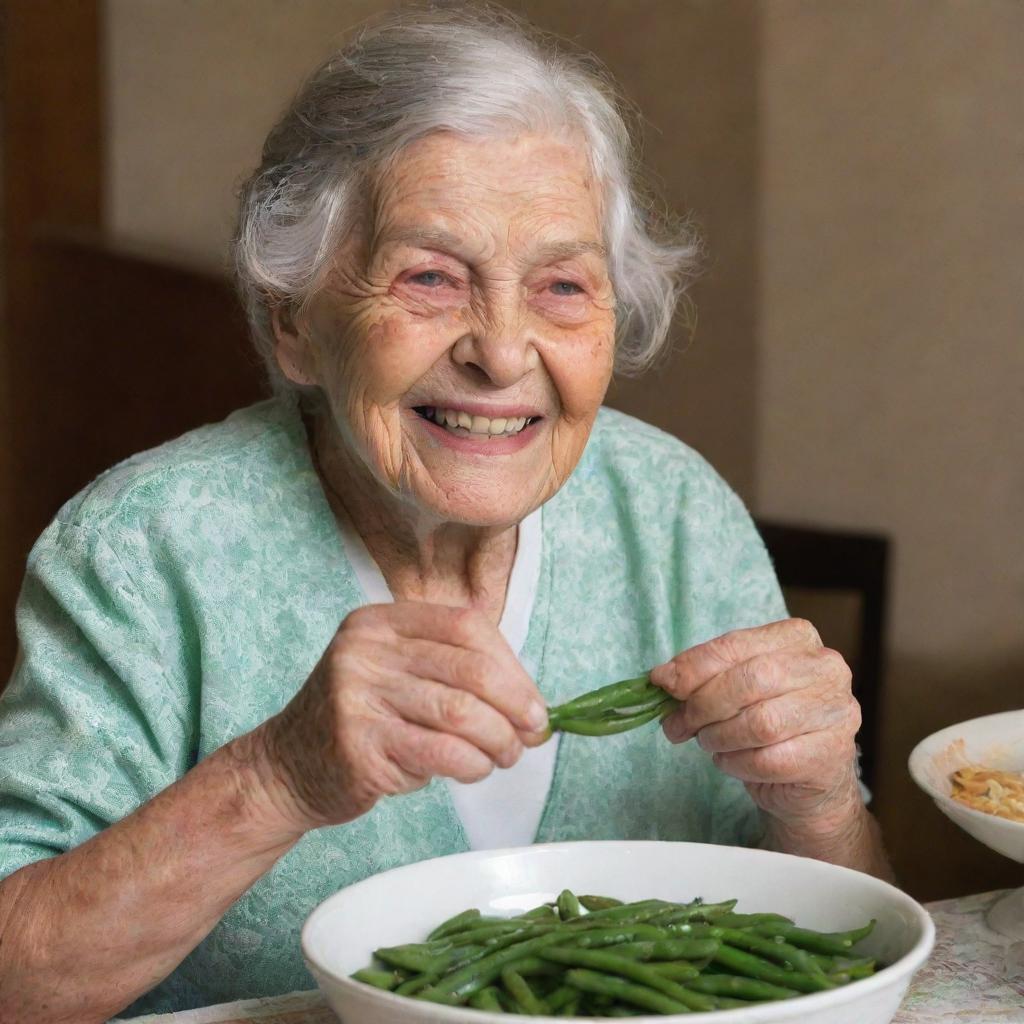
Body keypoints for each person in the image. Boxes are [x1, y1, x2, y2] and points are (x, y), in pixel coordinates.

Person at [0, 8, 889, 1021]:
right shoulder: (142, 548)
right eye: (430, 277)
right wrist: (274, 777)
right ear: (294, 320)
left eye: (561, 286)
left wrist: (818, 803)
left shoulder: (675, 511)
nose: (503, 353)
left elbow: (853, 941)